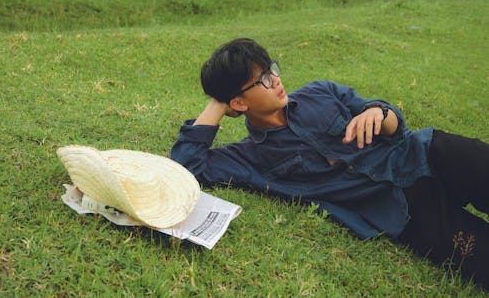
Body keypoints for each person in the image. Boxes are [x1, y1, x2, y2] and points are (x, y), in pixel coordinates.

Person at [170, 38, 489, 288]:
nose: (276, 80)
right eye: (263, 80)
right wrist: (217, 103)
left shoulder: (319, 92)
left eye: (272, 70)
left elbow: (394, 123)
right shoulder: (248, 158)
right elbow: (186, 167)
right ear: (238, 102)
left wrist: (377, 114)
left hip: (426, 154)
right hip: (401, 209)